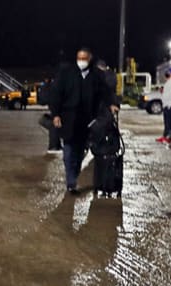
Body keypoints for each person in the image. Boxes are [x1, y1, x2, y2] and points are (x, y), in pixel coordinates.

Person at [49, 47, 119, 194]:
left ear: (90, 59)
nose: (81, 61)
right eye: (79, 58)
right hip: (68, 118)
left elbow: (105, 92)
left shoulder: (96, 75)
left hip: (86, 120)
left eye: (84, 58)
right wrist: (55, 114)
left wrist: (112, 104)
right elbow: (56, 95)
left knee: (80, 151)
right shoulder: (66, 74)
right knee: (68, 151)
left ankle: (74, 175)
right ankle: (71, 182)